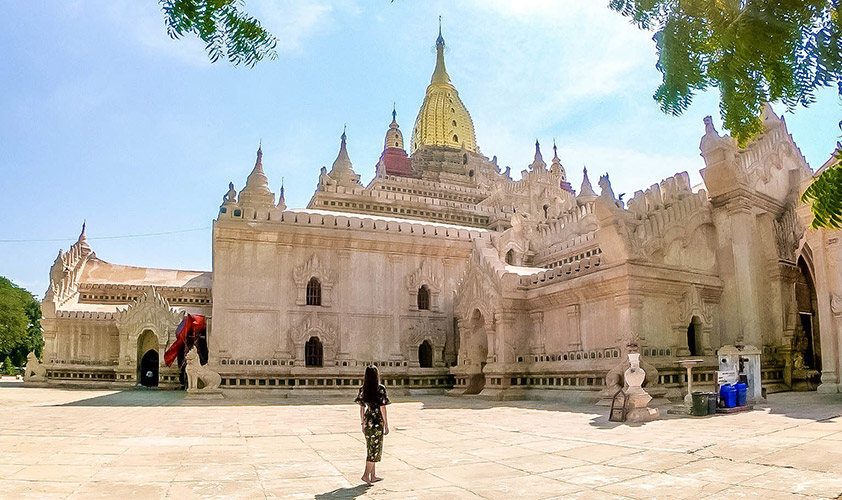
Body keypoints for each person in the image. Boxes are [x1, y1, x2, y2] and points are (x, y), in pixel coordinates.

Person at [355, 365, 390, 485]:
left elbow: (361, 408)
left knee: (371, 447)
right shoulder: (380, 389)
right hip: (376, 421)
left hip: (368, 419)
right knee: (375, 449)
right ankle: (366, 475)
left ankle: (373, 475)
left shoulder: (363, 389)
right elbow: (383, 407)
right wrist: (386, 424)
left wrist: (362, 423)